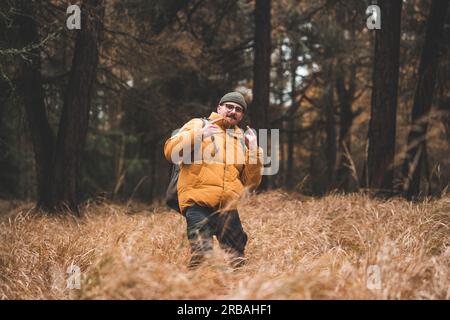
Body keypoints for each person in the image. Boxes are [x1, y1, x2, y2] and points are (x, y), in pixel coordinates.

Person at [163, 92, 263, 269]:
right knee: (202, 252)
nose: (233, 111)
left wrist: (254, 150)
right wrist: (200, 134)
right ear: (219, 108)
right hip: (197, 202)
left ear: (241, 115)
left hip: (227, 207)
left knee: (237, 259)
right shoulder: (199, 124)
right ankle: (191, 290)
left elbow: (251, 183)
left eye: (238, 109)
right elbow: (171, 152)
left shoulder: (241, 140)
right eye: (229, 107)